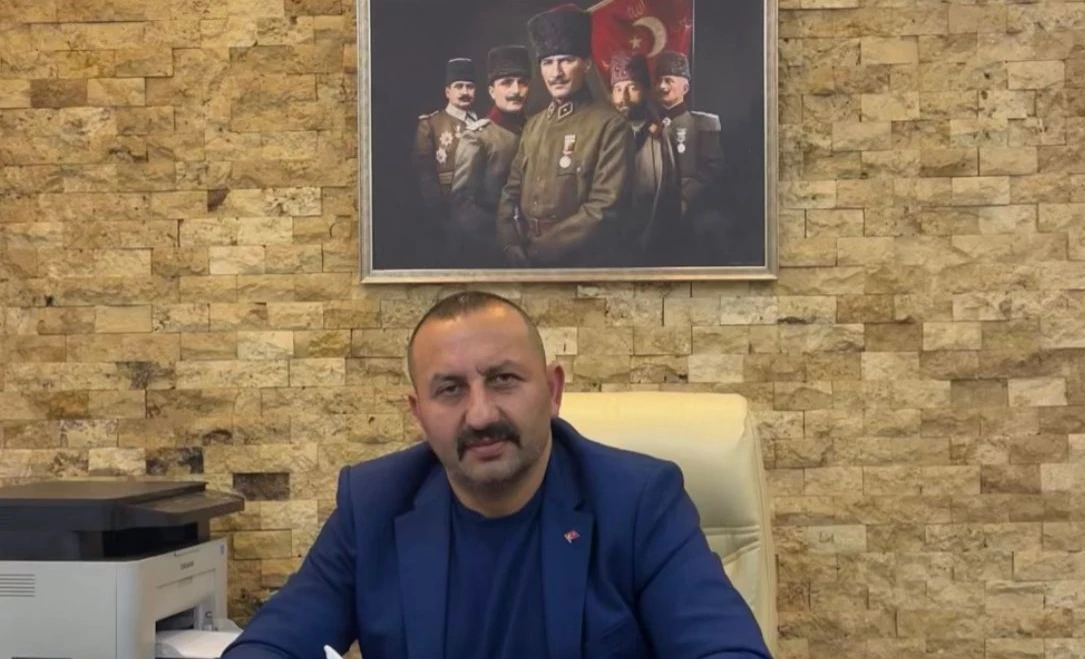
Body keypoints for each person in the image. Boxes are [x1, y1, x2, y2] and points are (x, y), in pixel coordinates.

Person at [221, 290, 772, 659]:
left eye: (504, 379)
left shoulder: (638, 502)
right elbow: (272, 645)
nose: (481, 414)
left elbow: (727, 650)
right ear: (418, 414)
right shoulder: (374, 505)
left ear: (552, 391)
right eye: (450, 390)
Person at [496, 5, 633, 268]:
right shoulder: (533, 125)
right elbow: (510, 192)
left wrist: (539, 251)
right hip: (523, 258)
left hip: (580, 265)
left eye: (566, 60)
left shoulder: (610, 126)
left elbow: (604, 208)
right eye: (547, 62)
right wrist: (510, 243)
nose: (556, 73)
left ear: (587, 64)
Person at [448, 45, 532, 268]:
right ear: (492, 91)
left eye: (522, 82)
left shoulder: (536, 129)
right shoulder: (478, 137)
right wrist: (503, 243)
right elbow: (462, 206)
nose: (516, 90)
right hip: (492, 247)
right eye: (506, 83)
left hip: (534, 241)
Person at [654, 50, 730, 265]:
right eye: (659, 81)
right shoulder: (650, 125)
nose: (662, 86)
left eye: (669, 80)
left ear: (685, 88)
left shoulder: (702, 124)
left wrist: (685, 197)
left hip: (691, 212)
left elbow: (712, 169)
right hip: (653, 214)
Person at [608, 51, 683, 267]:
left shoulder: (662, 136)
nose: (623, 98)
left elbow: (671, 195)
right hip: (608, 250)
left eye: (632, 88)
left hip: (652, 248)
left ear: (646, 90)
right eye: (617, 89)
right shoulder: (601, 136)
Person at [414, 57, 478, 246]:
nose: (465, 92)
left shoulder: (482, 123)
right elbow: (424, 172)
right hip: (446, 212)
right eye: (459, 86)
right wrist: (438, 211)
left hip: (478, 210)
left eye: (470, 87)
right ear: (447, 91)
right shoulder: (431, 123)